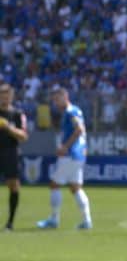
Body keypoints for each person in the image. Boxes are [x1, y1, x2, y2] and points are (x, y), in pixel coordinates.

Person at [37, 87, 92, 230]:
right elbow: (82, 131)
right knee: (75, 187)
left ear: (65, 97)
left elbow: (79, 129)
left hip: (70, 154)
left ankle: (54, 220)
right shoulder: (76, 110)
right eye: (54, 100)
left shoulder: (70, 111)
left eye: (57, 99)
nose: (55, 103)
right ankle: (87, 221)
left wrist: (65, 147)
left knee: (54, 184)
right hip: (79, 154)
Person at [0, 83, 30, 231]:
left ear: (11, 97)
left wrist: (8, 127)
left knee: (13, 185)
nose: (4, 98)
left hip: (11, 152)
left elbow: (24, 136)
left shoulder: (17, 114)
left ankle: (10, 223)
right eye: (2, 95)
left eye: (7, 95)